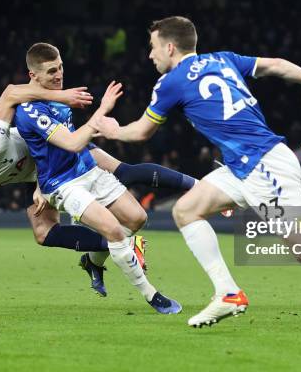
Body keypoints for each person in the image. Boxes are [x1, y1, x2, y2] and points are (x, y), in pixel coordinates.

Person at [93, 16, 301, 335]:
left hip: (266, 166)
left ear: (170, 47)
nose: (151, 55)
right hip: (241, 168)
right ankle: (228, 293)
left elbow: (143, 132)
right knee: (186, 209)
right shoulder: (224, 59)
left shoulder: (170, 83)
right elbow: (277, 65)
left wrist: (115, 130)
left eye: (153, 48)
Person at [0, 84, 196, 297]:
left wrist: (60, 96)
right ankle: (109, 251)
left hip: (54, 149)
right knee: (44, 234)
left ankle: (198, 186)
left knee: (123, 172)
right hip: (35, 174)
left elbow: (11, 92)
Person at [13, 42, 181, 314]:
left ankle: (92, 261)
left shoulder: (61, 99)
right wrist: (102, 111)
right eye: (51, 71)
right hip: (62, 185)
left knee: (137, 219)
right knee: (113, 231)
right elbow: (70, 143)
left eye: (61, 68)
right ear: (33, 76)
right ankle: (152, 296)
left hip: (87, 170)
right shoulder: (29, 111)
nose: (59, 75)